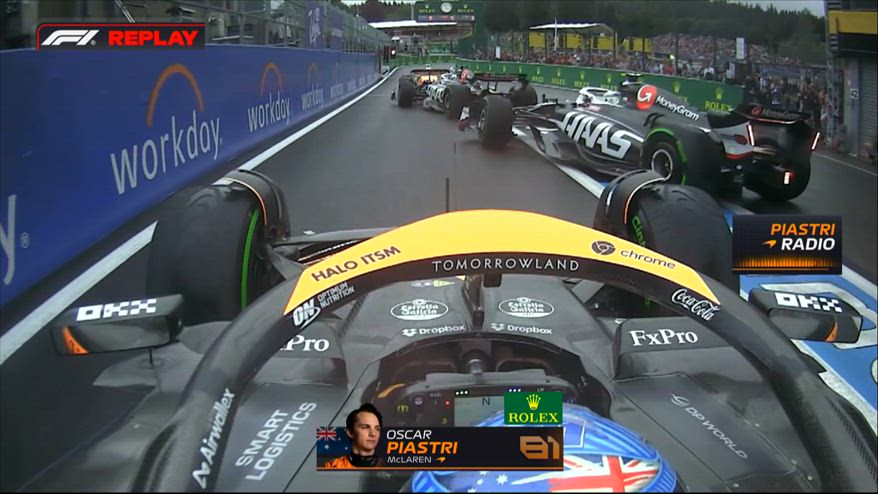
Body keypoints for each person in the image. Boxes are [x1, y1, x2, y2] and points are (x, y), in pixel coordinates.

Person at [323, 403, 383, 469]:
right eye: (365, 427)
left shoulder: (387, 466)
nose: (373, 434)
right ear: (350, 432)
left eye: (377, 429)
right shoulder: (332, 467)